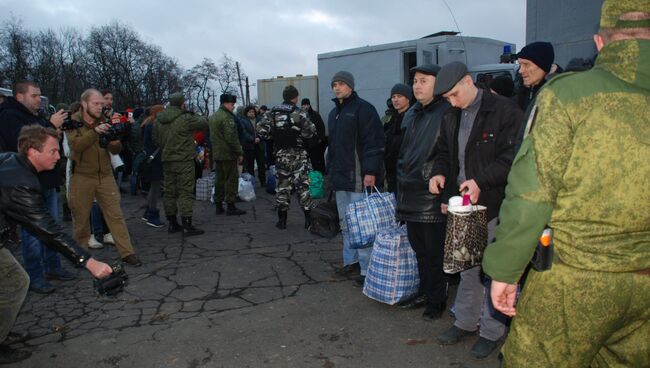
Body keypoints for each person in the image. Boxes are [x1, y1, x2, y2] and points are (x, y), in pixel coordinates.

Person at [483, 2, 650, 366]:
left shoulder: (570, 94)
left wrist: (505, 270)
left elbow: (531, 194)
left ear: (600, 42)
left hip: (576, 281)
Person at [428, 61, 523, 359]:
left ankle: (491, 332)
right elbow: (443, 152)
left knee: (494, 271)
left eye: (455, 94)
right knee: (467, 267)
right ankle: (466, 322)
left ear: (469, 81)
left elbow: (514, 158)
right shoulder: (450, 115)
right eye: (447, 99)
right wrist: (440, 175)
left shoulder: (506, 111)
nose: (452, 102)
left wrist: (481, 181)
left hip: (496, 205)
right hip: (464, 206)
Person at [0, 125, 113, 364]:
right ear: (32, 151)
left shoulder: (11, 161)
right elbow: (49, 231)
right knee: (14, 282)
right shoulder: (21, 182)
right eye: (52, 151)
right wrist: (88, 262)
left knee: (15, 281)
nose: (58, 156)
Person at [0, 80, 74, 294]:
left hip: (47, 180)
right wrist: (50, 127)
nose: (38, 100)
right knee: (32, 232)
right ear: (19, 96)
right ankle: (35, 276)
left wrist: (54, 134)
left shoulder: (36, 116)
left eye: (39, 96)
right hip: (26, 184)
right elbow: (24, 146)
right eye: (34, 96)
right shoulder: (8, 116)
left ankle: (54, 267)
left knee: (52, 226)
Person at [393, 66, 450, 320]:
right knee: (419, 250)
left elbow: (447, 154)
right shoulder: (412, 113)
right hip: (409, 192)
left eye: (424, 81)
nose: (417, 86)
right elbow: (404, 153)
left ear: (438, 84)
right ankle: (424, 292)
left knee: (434, 251)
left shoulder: (447, 111)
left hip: (431, 194)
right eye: (415, 81)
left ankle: (437, 300)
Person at [66, 89, 142, 266]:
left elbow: (115, 150)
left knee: (115, 216)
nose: (101, 107)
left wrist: (115, 142)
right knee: (81, 219)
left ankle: (127, 253)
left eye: (102, 103)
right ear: (84, 104)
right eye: (96, 103)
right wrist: (95, 132)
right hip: (82, 175)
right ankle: (81, 256)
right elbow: (76, 146)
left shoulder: (105, 119)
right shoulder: (72, 122)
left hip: (105, 174)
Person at [327, 71, 384, 287]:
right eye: (334, 84)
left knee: (363, 226)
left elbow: (374, 143)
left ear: (350, 86)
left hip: (359, 179)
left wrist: (371, 171)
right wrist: (330, 176)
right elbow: (331, 148)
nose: (337, 87)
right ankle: (350, 262)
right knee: (346, 225)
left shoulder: (364, 109)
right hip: (340, 179)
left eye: (341, 84)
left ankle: (366, 269)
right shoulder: (334, 114)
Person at [257, 86, 316, 229]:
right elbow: (310, 132)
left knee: (282, 187)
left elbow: (261, 130)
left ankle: (282, 221)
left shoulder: (272, 112)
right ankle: (309, 219)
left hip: (281, 155)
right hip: (299, 155)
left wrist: (274, 136)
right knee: (303, 187)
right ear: (295, 97)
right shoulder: (299, 112)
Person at [153, 93, 208, 236]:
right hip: (184, 160)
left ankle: (172, 223)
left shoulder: (159, 119)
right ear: (182, 103)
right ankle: (187, 225)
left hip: (167, 159)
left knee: (169, 192)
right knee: (185, 192)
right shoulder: (186, 117)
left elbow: (156, 140)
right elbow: (204, 123)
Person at [209, 93, 246, 216]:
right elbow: (231, 138)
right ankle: (231, 206)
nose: (233, 107)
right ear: (225, 103)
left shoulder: (214, 116)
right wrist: (239, 152)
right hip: (228, 154)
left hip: (218, 153)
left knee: (219, 180)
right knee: (231, 179)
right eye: (232, 104)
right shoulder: (227, 117)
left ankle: (218, 205)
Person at [383, 83, 412, 193]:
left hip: (405, 173)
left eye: (399, 96)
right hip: (391, 172)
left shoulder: (413, 118)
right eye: (393, 97)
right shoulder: (391, 119)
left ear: (408, 98)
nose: (395, 100)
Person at [140, 105, 165, 228]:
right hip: (155, 159)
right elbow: (159, 142)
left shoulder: (147, 123)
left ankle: (148, 212)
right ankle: (152, 215)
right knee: (155, 188)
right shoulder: (153, 125)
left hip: (150, 158)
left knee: (153, 187)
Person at [240, 106, 266, 185]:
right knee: (250, 165)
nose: (252, 113)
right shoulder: (243, 121)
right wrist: (253, 139)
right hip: (249, 146)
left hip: (260, 145)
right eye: (250, 112)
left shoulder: (260, 119)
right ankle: (252, 182)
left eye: (253, 111)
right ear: (246, 113)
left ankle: (263, 181)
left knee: (261, 164)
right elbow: (244, 133)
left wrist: (259, 137)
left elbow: (264, 129)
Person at [300, 98, 327, 174]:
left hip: (314, 142)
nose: (306, 106)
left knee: (316, 160)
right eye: (304, 104)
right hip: (304, 143)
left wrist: (320, 138)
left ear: (309, 105)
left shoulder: (315, 114)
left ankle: (318, 174)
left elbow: (321, 127)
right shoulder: (299, 115)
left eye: (307, 104)